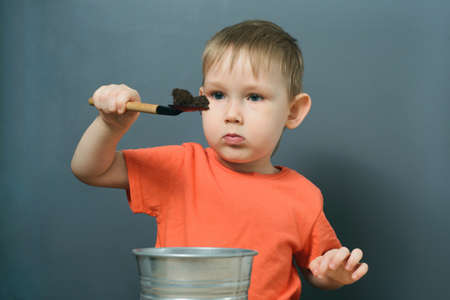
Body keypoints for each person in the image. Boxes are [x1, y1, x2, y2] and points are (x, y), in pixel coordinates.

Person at [71, 19, 368, 299]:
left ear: (293, 111)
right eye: (218, 95)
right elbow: (90, 171)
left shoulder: (303, 196)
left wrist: (335, 273)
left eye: (254, 97)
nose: (231, 115)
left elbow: (319, 271)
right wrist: (110, 126)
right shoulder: (180, 167)